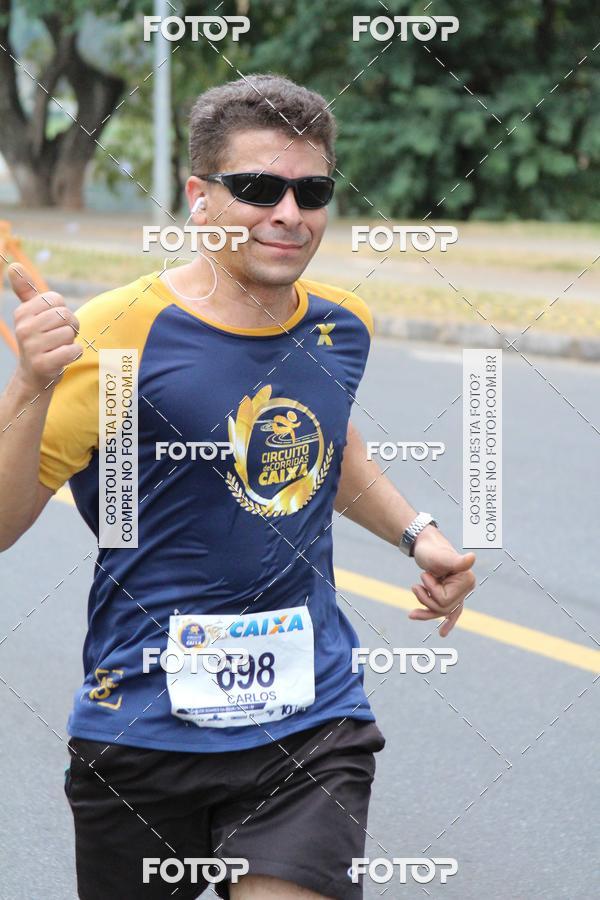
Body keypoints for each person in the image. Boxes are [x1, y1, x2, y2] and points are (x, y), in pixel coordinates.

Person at [0, 74, 476, 899]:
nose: (289, 213)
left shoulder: (338, 328)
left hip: (311, 722)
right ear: (200, 198)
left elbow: (327, 442)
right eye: (258, 187)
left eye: (312, 189)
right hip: (144, 729)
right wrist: (29, 390)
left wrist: (416, 532)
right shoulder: (116, 337)